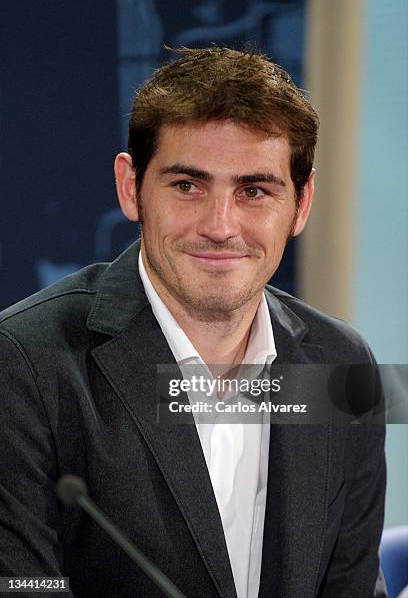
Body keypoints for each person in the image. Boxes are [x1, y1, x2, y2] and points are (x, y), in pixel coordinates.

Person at [0, 47, 387, 597]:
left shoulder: (343, 364)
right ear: (130, 187)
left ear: (301, 204)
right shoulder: (25, 363)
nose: (220, 226)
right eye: (187, 186)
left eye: (254, 191)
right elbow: (21, 585)